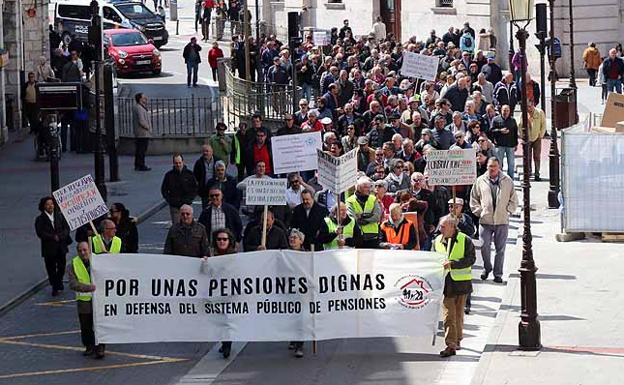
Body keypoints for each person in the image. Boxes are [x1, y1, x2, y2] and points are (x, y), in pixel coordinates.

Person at [470, 157, 518, 283]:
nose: (492, 169)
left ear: (499, 167)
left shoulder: (507, 181)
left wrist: (509, 211)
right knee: (484, 245)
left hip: (502, 221)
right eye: (490, 166)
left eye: (494, 166)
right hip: (485, 221)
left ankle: (498, 274)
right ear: (487, 167)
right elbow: (473, 198)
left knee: (500, 249)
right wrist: (480, 212)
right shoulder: (480, 181)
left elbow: (514, 199)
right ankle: (487, 268)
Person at [435, 215, 476, 357]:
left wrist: (453, 264)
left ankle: (457, 340)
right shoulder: (437, 241)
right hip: (446, 284)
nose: (440, 229)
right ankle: (450, 344)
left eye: (443, 227)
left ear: (452, 227)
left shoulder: (465, 240)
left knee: (458, 314)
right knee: (448, 315)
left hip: (461, 284)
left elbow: (471, 259)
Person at [67, 241, 105, 358]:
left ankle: (100, 348)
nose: (83, 253)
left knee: (99, 325)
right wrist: (88, 288)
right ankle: (89, 346)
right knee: (86, 326)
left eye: (85, 250)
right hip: (84, 301)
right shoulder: (73, 264)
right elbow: (73, 284)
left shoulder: (98, 261)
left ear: (89, 249)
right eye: (80, 251)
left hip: (98, 299)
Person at [203, 228, 237, 358]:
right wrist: (205, 263)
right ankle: (224, 342)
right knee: (219, 320)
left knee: (227, 320)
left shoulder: (234, 256)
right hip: (215, 294)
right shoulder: (211, 255)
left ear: (229, 241)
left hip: (230, 294)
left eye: (224, 239)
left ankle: (227, 344)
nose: (222, 241)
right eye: (219, 239)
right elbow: (205, 274)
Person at [35, 196, 71, 296]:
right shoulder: (40, 219)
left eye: (51, 204)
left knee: (62, 266)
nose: (50, 206)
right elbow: (40, 232)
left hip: (61, 246)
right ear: (43, 206)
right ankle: (55, 286)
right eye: (47, 204)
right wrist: (52, 237)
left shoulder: (60, 216)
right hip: (49, 248)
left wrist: (60, 236)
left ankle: (58, 281)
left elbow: (66, 229)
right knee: (51, 268)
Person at [162, 154, 198, 224]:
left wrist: (189, 199)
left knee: (187, 224)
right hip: (174, 205)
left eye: (179, 163)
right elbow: (164, 189)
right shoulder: (169, 175)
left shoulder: (189, 174)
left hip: (186, 204)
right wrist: (170, 200)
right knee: (176, 226)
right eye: (176, 163)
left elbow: (195, 188)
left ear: (183, 162)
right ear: (173, 163)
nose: (178, 165)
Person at [346, 177, 382, 249]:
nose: (369, 189)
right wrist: (369, 215)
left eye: (369, 187)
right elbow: (352, 218)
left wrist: (362, 218)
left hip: (373, 237)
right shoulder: (350, 201)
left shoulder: (373, 199)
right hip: (357, 237)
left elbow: (377, 216)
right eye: (366, 187)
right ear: (358, 188)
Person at [287, 228, 307, 358]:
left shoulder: (306, 256)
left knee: (301, 318)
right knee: (291, 316)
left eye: (295, 237)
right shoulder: (285, 254)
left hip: (302, 291)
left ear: (301, 241)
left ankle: (300, 345)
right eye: (291, 237)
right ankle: (293, 338)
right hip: (289, 290)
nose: (292, 239)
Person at [519, 102, 546, 181]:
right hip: (527, 138)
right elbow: (520, 125)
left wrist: (540, 135)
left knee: (537, 156)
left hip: (537, 137)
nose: (529, 108)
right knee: (528, 156)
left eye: (530, 106)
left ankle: (537, 173)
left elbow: (543, 124)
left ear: (533, 105)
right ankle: (528, 172)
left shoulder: (540, 112)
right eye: (527, 107)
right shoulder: (524, 114)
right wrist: (522, 136)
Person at [490, 105, 518, 179]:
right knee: (499, 163)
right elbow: (491, 131)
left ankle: (510, 179)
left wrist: (516, 144)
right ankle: (499, 178)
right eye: (504, 110)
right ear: (501, 111)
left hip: (510, 145)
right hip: (500, 145)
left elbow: (515, 133)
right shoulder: (496, 119)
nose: (505, 112)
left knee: (511, 164)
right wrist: (500, 131)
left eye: (507, 111)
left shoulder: (513, 120)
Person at [194, 144, 222, 209]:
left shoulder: (218, 161)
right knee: (206, 209)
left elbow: (222, 173)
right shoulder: (199, 162)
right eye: (203, 151)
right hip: (204, 191)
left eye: (207, 151)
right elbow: (195, 176)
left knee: (217, 208)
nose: (205, 153)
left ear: (212, 152)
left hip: (216, 189)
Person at [132, 92, 151, 171]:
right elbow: (141, 120)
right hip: (142, 132)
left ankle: (138, 164)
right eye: (144, 98)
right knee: (142, 149)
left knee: (140, 149)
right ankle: (141, 165)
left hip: (141, 132)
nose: (145, 99)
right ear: (140, 99)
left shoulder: (140, 107)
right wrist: (147, 127)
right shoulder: (139, 108)